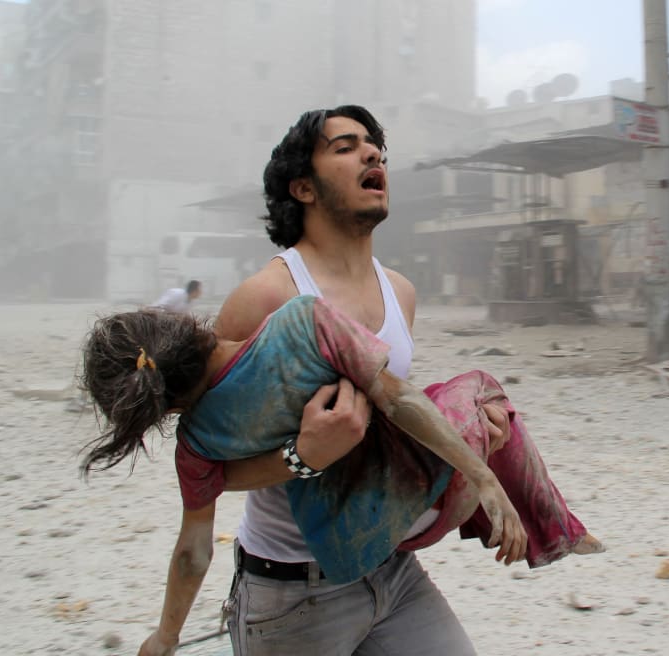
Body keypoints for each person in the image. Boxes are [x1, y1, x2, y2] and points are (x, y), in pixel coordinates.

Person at [132, 105, 521, 655]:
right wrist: (301, 456)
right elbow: (205, 470)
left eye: (375, 147)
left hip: (393, 570)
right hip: (290, 592)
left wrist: (474, 438)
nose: (372, 154)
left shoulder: (401, 292)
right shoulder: (266, 298)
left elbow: (390, 420)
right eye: (345, 146)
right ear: (303, 188)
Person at [80, 296, 603, 653]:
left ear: (158, 406)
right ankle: (553, 531)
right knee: (479, 386)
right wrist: (487, 481)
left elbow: (193, 551)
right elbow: (397, 399)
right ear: (178, 325)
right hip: (415, 520)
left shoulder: (194, 447)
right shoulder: (301, 322)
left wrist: (165, 637)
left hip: (353, 553)